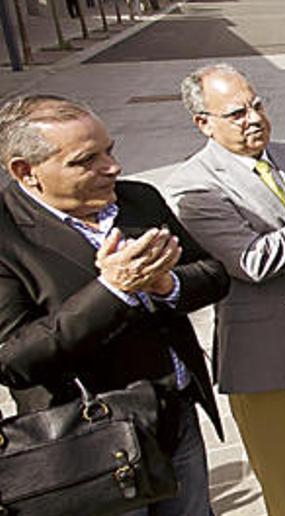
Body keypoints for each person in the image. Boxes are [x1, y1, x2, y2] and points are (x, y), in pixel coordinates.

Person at [0, 95, 230, 515]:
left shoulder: (139, 200)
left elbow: (212, 276)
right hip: (89, 441)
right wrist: (113, 291)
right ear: (25, 172)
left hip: (173, 416)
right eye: (87, 160)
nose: (112, 168)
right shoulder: (8, 236)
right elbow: (13, 357)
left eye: (110, 150)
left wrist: (166, 283)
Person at [165, 64, 285, 516]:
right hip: (268, 361)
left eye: (256, 106)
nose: (253, 119)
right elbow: (253, 261)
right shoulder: (192, 186)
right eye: (236, 113)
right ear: (203, 123)